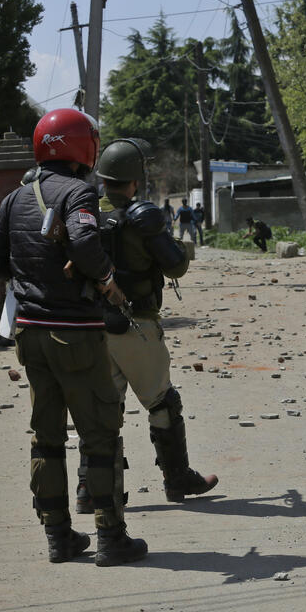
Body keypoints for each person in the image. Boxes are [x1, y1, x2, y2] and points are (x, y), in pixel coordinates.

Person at [0, 108, 146, 565]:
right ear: (84, 147)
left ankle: (59, 537)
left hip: (30, 333)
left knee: (46, 435)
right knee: (99, 432)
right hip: (74, 333)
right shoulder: (78, 192)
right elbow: (84, 243)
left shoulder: (13, 200)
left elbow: (2, 262)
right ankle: (110, 537)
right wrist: (106, 278)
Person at [78, 137, 218, 510]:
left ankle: (90, 490)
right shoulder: (142, 216)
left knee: (101, 412)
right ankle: (177, 480)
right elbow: (176, 266)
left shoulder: (83, 211)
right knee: (162, 403)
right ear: (135, 180)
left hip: (91, 327)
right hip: (136, 323)